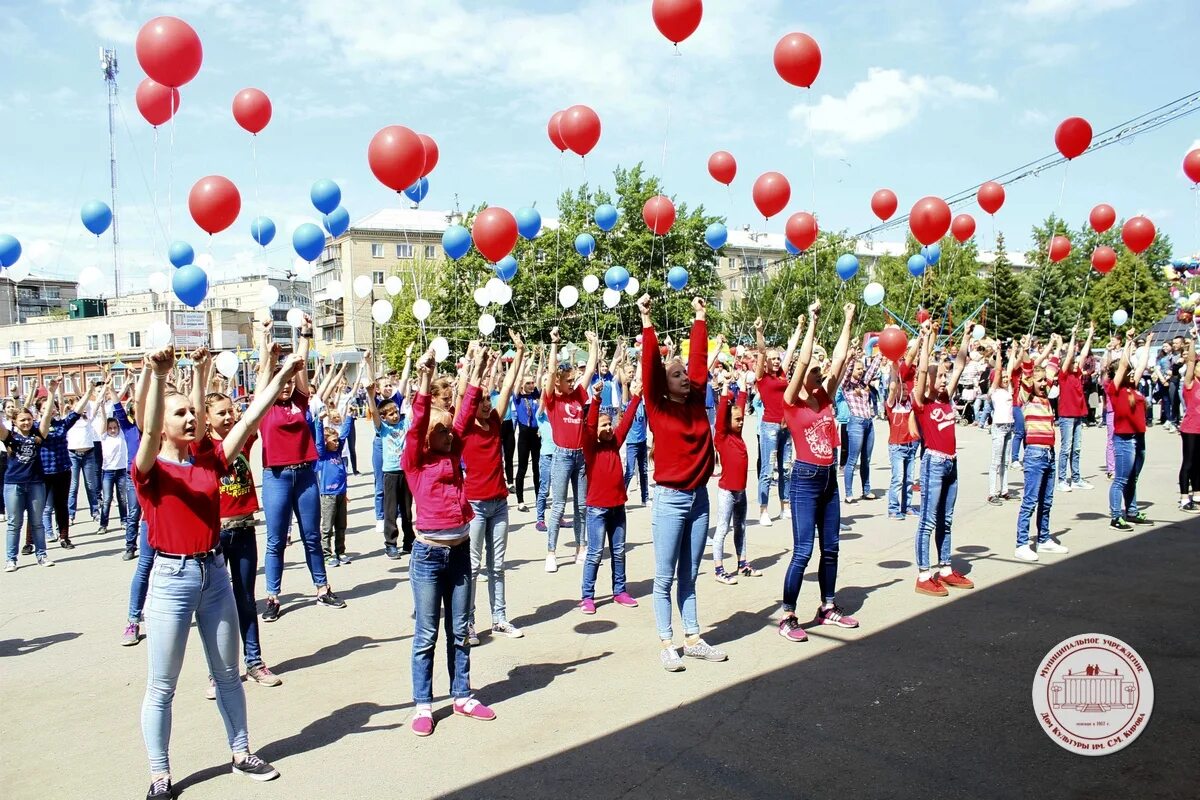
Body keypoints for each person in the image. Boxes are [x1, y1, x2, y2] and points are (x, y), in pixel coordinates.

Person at [134, 345, 292, 799]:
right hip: (171, 581)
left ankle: (242, 753)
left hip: (214, 576)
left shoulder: (207, 460)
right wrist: (162, 376)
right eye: (179, 413)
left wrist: (279, 380)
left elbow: (245, 423)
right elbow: (146, 433)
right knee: (162, 685)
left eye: (192, 411)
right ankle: (160, 776)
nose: (189, 418)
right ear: (163, 422)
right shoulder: (150, 470)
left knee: (227, 673)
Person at [404, 345, 496, 737]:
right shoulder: (416, 459)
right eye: (437, 429)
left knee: (459, 630)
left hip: (459, 553)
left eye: (448, 428)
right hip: (428, 556)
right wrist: (424, 379)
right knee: (427, 633)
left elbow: (465, 409)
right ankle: (423, 704)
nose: (446, 431)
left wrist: (475, 369)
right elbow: (420, 417)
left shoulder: (453, 447)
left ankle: (462, 694)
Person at [640, 294, 726, 671]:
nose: (685, 377)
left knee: (690, 574)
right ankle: (666, 641)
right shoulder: (658, 407)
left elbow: (700, 363)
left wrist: (700, 317)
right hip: (670, 499)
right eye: (676, 374)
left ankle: (692, 637)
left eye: (685, 374)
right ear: (665, 382)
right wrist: (647, 321)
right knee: (664, 577)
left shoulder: (695, 404)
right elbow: (648, 369)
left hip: (699, 498)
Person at [778, 301, 860, 640]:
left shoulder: (825, 396)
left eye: (819, 371)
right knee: (802, 551)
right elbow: (802, 364)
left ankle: (827, 606)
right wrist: (811, 323)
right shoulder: (792, 401)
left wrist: (848, 319)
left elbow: (839, 360)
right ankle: (787, 616)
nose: (820, 373)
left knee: (831, 547)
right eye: (813, 371)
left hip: (828, 480)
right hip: (804, 480)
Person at [205, 350, 285, 692]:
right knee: (215, 606)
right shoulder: (201, 447)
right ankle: (218, 671)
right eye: (221, 413)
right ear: (206, 418)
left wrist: (268, 361)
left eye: (230, 411)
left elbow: (259, 406)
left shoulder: (242, 439)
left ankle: (254, 661)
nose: (228, 417)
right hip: (215, 535)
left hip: (243, 530)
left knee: (245, 599)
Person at [256, 317, 345, 622]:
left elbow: (301, 366)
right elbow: (265, 374)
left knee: (311, 537)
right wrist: (265, 340)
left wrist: (305, 334)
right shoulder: (265, 405)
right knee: (276, 540)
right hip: (277, 477)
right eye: (284, 380)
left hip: (306, 475)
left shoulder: (300, 403)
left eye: (292, 380)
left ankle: (322, 588)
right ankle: (273, 596)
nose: (288, 385)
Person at [460, 332, 527, 643]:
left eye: (488, 399)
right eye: (482, 400)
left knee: (497, 566)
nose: (486, 404)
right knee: (472, 568)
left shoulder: (496, 421)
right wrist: (476, 363)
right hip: (474, 504)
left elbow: (510, 385)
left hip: (499, 503)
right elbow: (464, 393)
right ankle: (469, 623)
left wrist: (520, 351)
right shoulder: (464, 430)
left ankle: (499, 618)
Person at [911, 321, 976, 597]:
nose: (943, 380)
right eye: (940, 377)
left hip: (951, 462)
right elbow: (923, 370)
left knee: (946, 519)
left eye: (944, 377)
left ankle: (946, 569)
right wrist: (925, 340)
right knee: (928, 520)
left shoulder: (946, 397)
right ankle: (924, 574)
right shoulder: (922, 401)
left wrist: (966, 337)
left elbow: (960, 365)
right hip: (934, 462)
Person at [579, 376, 642, 613]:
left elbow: (625, 422)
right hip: (597, 509)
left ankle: (620, 590)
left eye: (609, 425)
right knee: (595, 554)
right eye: (603, 426)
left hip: (618, 507)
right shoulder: (590, 447)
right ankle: (587, 596)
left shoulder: (615, 442)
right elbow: (590, 425)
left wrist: (637, 397)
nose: (607, 428)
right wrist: (595, 399)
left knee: (618, 551)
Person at [542, 327, 598, 572]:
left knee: (582, 505)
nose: (572, 382)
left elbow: (592, 369)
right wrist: (554, 344)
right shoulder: (553, 399)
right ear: (558, 382)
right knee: (558, 506)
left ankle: (581, 547)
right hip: (562, 456)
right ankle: (551, 552)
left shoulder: (577, 395)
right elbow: (552, 371)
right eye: (568, 380)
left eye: (573, 379)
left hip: (580, 456)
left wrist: (594, 345)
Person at [1013, 357, 1070, 562]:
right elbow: (1027, 376)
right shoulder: (1027, 398)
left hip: (1049, 453)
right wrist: (1027, 359)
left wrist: (1056, 351)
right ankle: (1021, 543)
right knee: (1030, 501)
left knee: (1046, 501)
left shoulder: (1046, 398)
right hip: (1035, 454)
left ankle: (1044, 538)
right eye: (1040, 381)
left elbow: (1053, 371)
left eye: (1045, 381)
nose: (1044, 384)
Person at [3, 385, 57, 571]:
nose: (26, 422)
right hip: (13, 483)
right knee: (14, 523)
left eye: (29, 419)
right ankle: (11, 559)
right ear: (15, 421)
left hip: (35, 483)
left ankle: (41, 555)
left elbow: (48, 414)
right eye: (22, 420)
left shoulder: (38, 434)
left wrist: (52, 391)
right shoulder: (9, 437)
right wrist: (14, 396)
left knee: (37, 522)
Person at [753, 315, 802, 526]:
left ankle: (785, 506)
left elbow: (791, 350)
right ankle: (763, 509)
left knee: (786, 467)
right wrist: (759, 332)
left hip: (786, 426)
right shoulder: (762, 378)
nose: (775, 360)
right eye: (772, 358)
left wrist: (800, 326)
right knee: (767, 469)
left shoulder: (782, 373)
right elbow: (762, 351)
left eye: (776, 358)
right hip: (770, 427)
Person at [1107, 332, 1153, 531]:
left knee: (1133, 478)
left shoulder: (1133, 386)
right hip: (1124, 439)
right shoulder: (1113, 388)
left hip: (1139, 437)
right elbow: (1124, 365)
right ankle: (1116, 517)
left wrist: (1148, 343)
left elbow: (1141, 364)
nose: (1133, 372)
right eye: (1129, 371)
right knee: (1121, 480)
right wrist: (1128, 342)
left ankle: (1132, 512)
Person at [711, 376, 755, 583]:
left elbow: (741, 406)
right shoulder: (722, 436)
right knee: (722, 528)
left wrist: (744, 389)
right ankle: (719, 569)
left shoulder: (738, 437)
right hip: (727, 491)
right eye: (737, 420)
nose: (741, 422)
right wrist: (726, 388)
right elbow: (721, 414)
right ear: (727, 421)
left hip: (741, 491)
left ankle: (742, 562)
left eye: (742, 420)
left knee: (742, 527)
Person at [1056, 324, 1096, 493]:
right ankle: (1062, 479)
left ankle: (1076, 478)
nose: (1075, 363)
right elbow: (1072, 354)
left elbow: (1084, 353)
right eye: (1072, 361)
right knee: (1066, 448)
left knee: (1077, 448)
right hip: (1066, 415)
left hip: (1079, 414)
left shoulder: (1078, 373)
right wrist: (1072, 336)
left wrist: (1090, 336)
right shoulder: (1064, 375)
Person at [840, 349, 881, 503]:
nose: (861, 370)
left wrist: (881, 352)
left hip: (868, 422)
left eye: (861, 368)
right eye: (858, 369)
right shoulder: (847, 386)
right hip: (856, 423)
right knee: (852, 459)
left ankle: (866, 490)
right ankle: (849, 494)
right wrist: (852, 360)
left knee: (866, 459)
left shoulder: (863, 384)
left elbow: (873, 369)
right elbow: (847, 373)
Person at [316, 403, 353, 567]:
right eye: (333, 441)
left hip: (341, 493)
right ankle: (326, 553)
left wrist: (350, 417)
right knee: (327, 526)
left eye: (337, 441)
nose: (337, 443)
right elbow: (318, 441)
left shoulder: (338, 452)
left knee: (341, 525)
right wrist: (319, 422)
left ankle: (340, 551)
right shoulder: (322, 455)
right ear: (326, 442)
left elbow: (344, 434)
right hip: (328, 495)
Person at [885, 354, 920, 520]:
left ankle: (907, 507)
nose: (905, 392)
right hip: (897, 447)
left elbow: (917, 388)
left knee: (909, 480)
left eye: (906, 389)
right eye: (902, 390)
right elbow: (892, 388)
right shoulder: (892, 405)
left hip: (910, 446)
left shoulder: (910, 405)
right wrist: (894, 369)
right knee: (898, 479)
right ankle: (893, 509)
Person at [986, 345, 1017, 505]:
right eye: (1002, 377)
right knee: (996, 461)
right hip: (998, 427)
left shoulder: (1008, 390)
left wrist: (1015, 351)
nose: (1005, 379)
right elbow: (998, 371)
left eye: (1006, 377)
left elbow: (1009, 370)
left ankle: (1004, 490)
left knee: (1006, 461)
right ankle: (992, 492)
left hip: (1009, 427)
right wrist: (998, 352)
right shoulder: (994, 392)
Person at [512, 352, 542, 513]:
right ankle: (520, 500)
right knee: (522, 468)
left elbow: (539, 376)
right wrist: (523, 362)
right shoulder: (517, 396)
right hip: (524, 434)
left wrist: (539, 358)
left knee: (537, 467)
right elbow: (517, 381)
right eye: (528, 383)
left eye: (532, 383)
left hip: (536, 434)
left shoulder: (535, 395)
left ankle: (539, 498)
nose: (531, 385)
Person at [621, 362, 650, 506]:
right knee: (630, 471)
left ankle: (645, 498)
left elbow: (639, 380)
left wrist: (640, 360)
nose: (636, 388)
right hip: (631, 442)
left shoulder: (642, 402)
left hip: (642, 441)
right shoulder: (627, 403)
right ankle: (622, 496)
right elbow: (626, 385)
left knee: (644, 471)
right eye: (633, 387)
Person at [1178, 330, 1200, 512]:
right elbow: (1191, 361)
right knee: (1189, 462)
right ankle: (1185, 498)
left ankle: (1198, 493)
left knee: (1199, 462)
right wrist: (1193, 340)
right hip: (1190, 428)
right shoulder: (1190, 384)